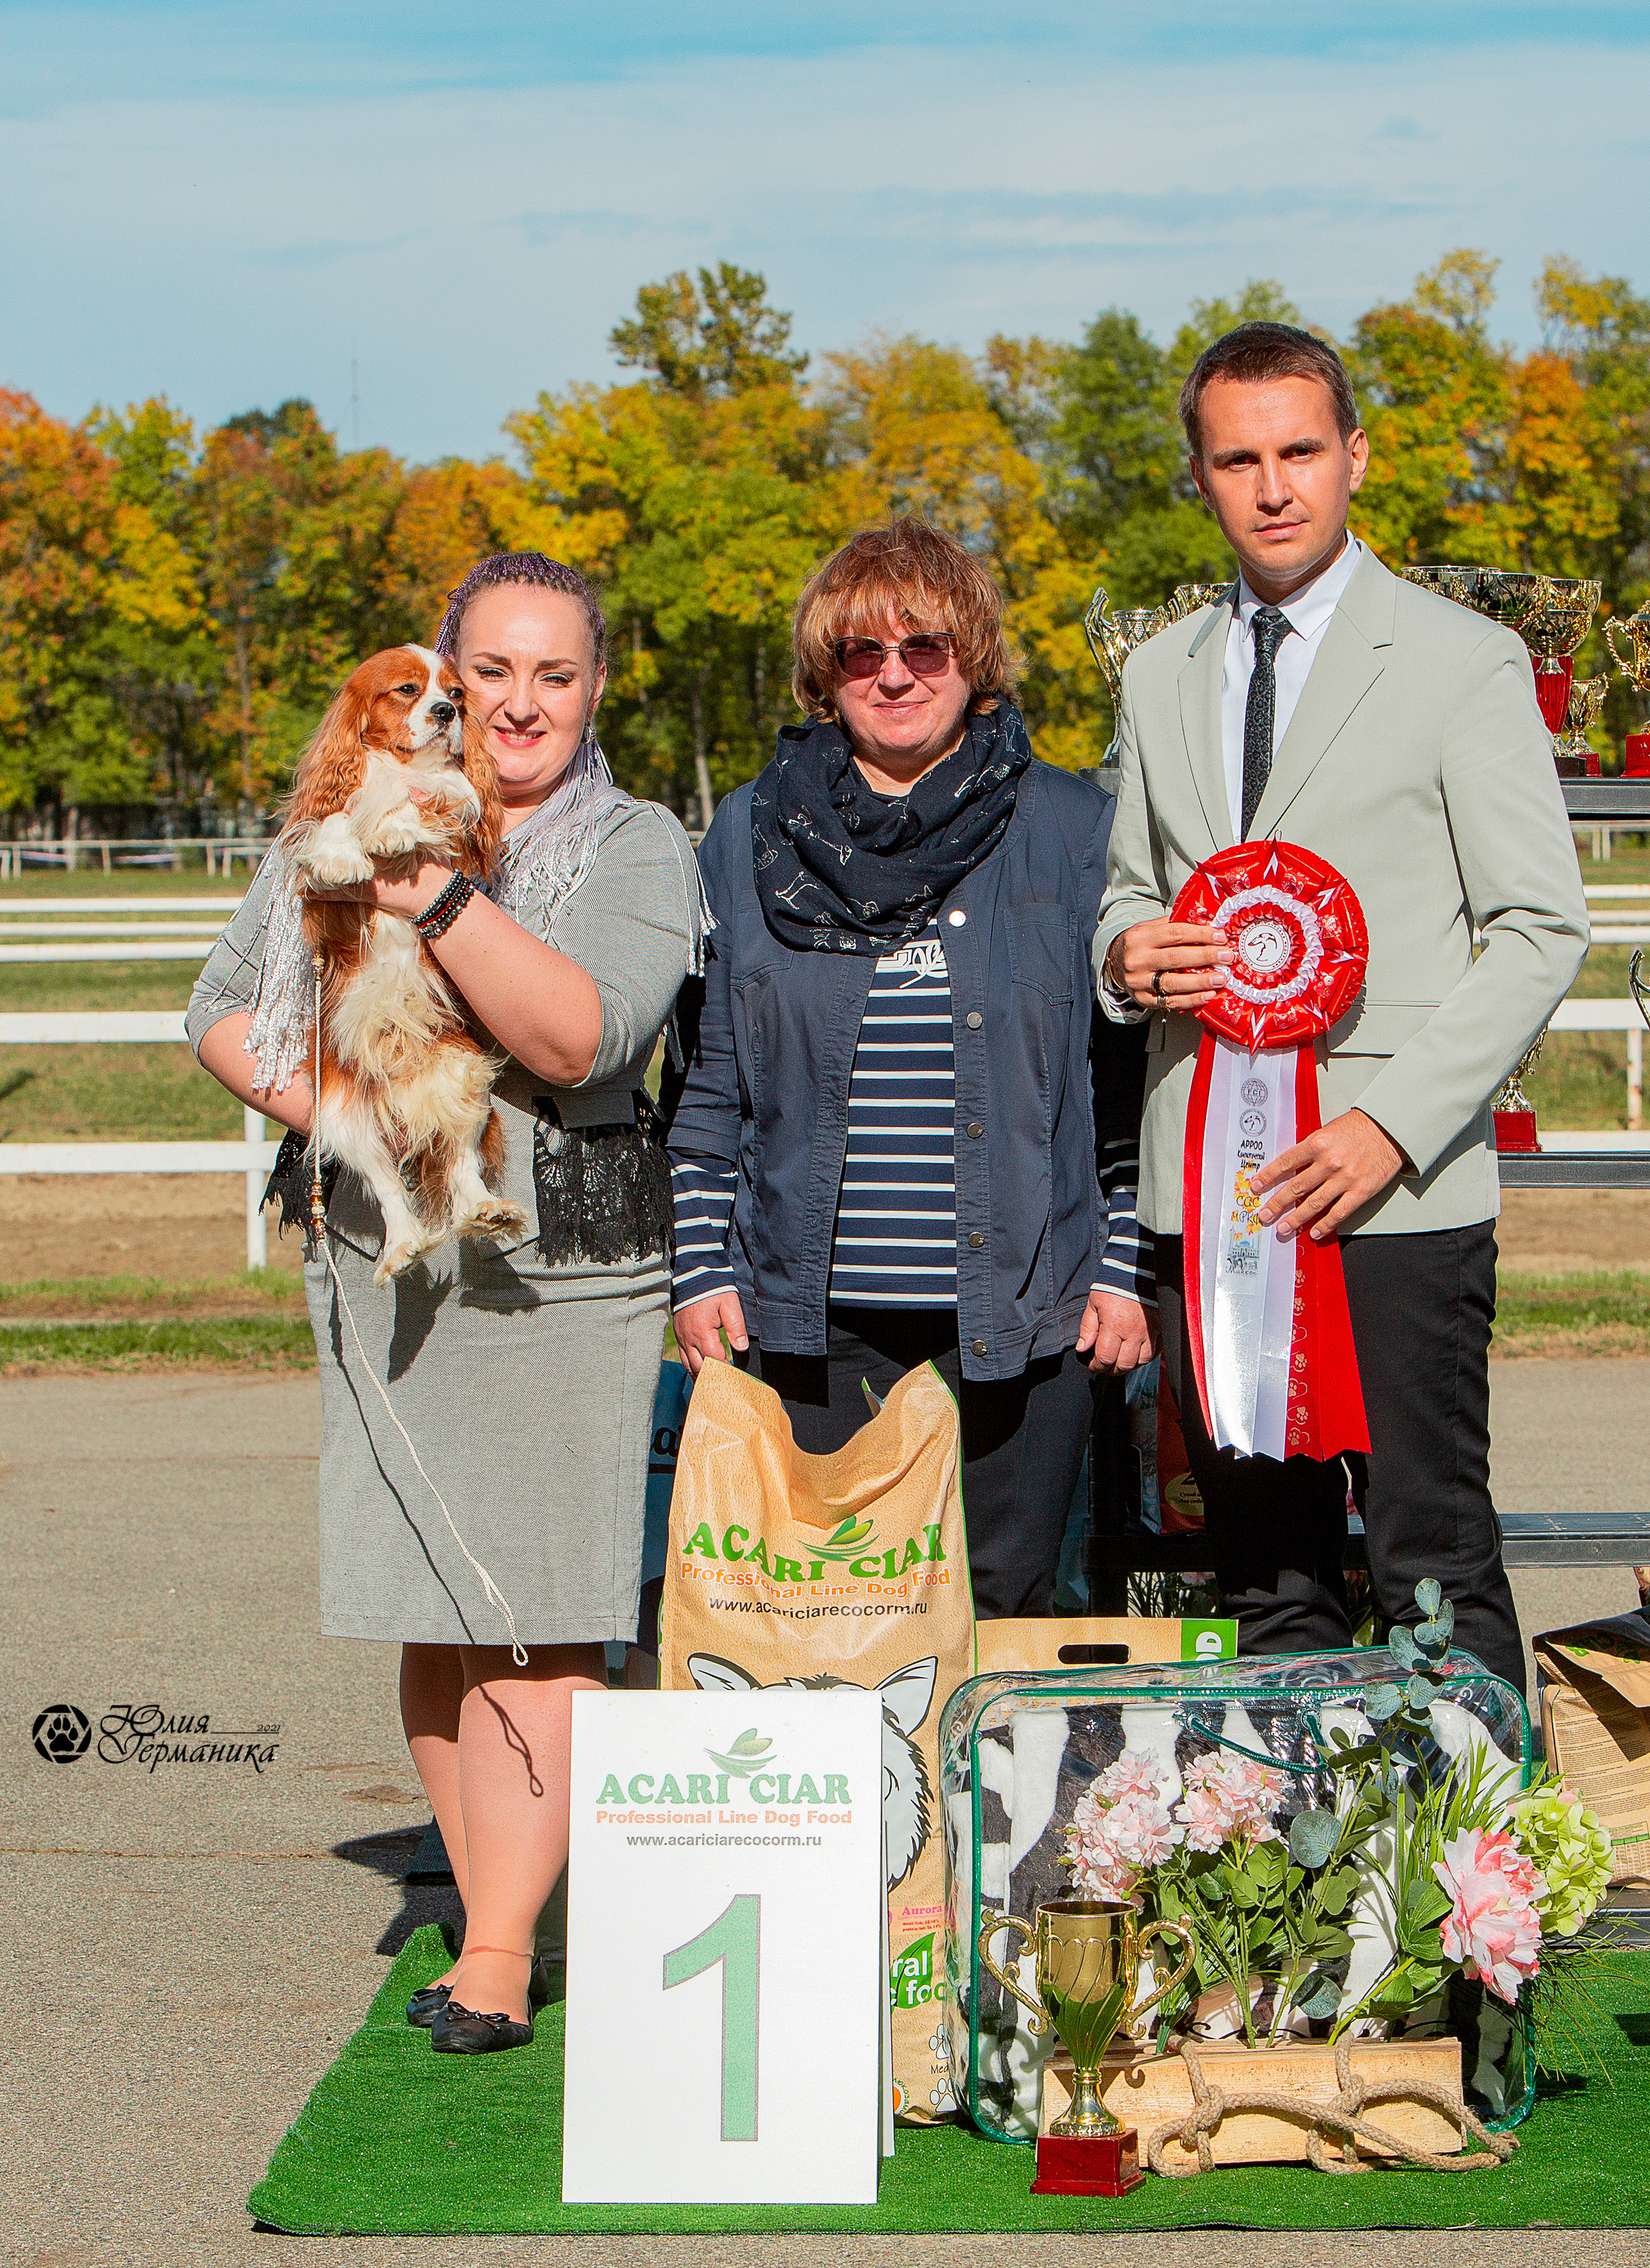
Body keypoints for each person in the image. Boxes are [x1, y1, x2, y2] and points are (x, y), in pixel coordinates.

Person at [188, 552, 705, 2050]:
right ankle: (502, 1917)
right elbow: (219, 1004)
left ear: (594, 687)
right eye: (491, 671)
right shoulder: (333, 808)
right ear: (447, 677)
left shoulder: (633, 841)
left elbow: (581, 1039)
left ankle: (487, 1954)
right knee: (430, 1603)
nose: (521, 702)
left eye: (556, 672)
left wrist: (426, 883)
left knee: (537, 1611)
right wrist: (341, 1115)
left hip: (561, 1277)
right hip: (380, 1260)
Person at [1094, 323, 1589, 1694]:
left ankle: (1488, 1894)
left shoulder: (1460, 659)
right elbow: (1126, 890)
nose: (1271, 487)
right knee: (1261, 1568)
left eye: (1298, 451)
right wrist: (1128, 954)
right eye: (1236, 458)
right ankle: (1294, 1896)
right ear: (1198, 476)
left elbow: (1540, 926)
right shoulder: (1155, 675)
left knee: (1431, 1551)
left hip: (1394, 1192)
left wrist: (1387, 1124)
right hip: (1215, 1195)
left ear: (1352, 456)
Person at [665, 517, 1156, 1620]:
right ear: (825, 674)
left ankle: (987, 1804)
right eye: (862, 654)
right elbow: (707, 1090)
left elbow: (1124, 1081)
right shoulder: (748, 833)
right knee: (833, 1615)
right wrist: (700, 1271)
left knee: (1009, 1599)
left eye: (924, 648)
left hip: (1029, 1319)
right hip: (811, 1322)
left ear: (972, 659)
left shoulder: (1074, 828)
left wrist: (1123, 1270)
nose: (894, 676)